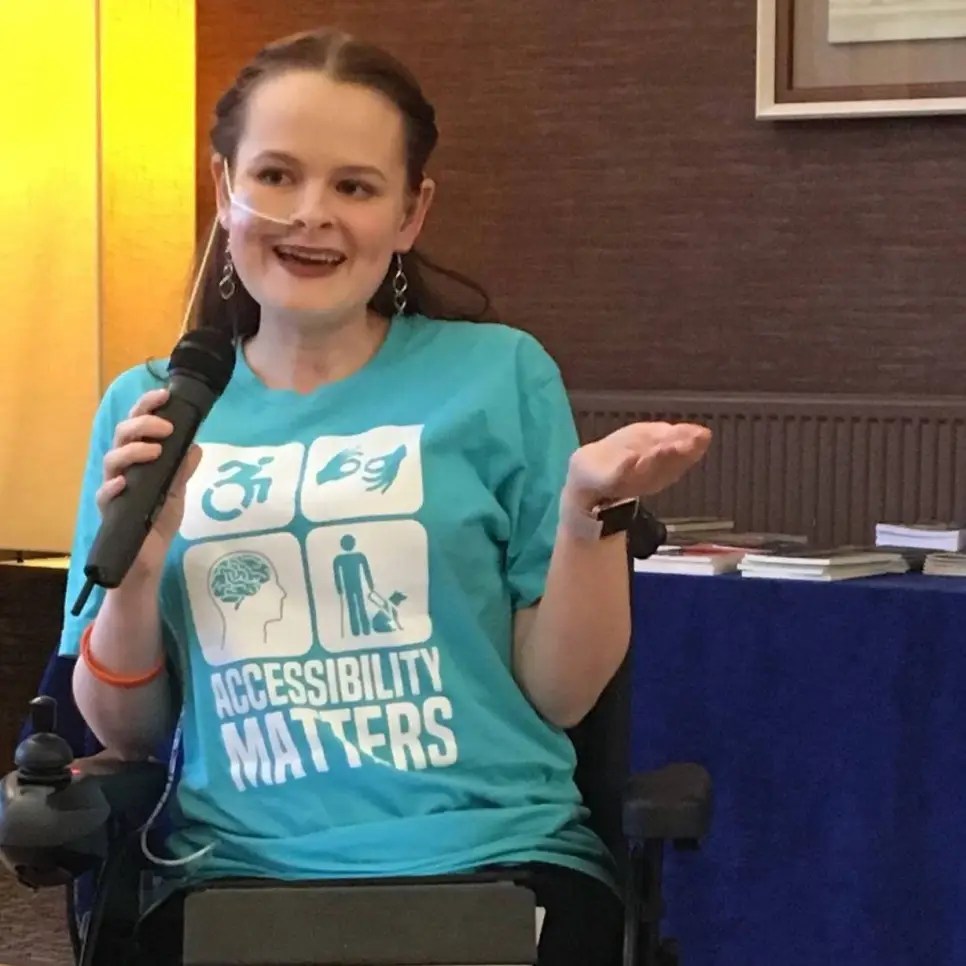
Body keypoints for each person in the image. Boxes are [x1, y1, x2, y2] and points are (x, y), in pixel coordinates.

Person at [58, 27, 711, 965]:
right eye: (276, 176)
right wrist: (142, 566)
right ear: (224, 192)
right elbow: (127, 730)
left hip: (494, 861)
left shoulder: (498, 375)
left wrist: (588, 517)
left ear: (410, 212)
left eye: (354, 187)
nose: (308, 214)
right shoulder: (151, 404)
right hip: (229, 871)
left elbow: (562, 696)